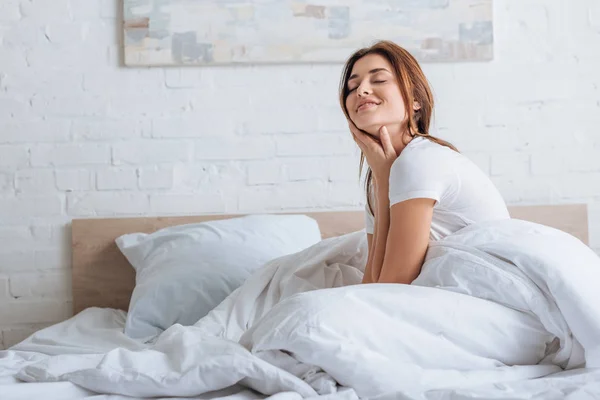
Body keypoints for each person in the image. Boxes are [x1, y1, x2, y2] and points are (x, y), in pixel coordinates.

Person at [339, 40, 510, 285]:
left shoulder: (420, 160)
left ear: (415, 100)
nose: (361, 91)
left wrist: (386, 183)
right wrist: (383, 183)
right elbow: (373, 283)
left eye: (379, 80)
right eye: (352, 86)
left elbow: (392, 284)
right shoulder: (381, 177)